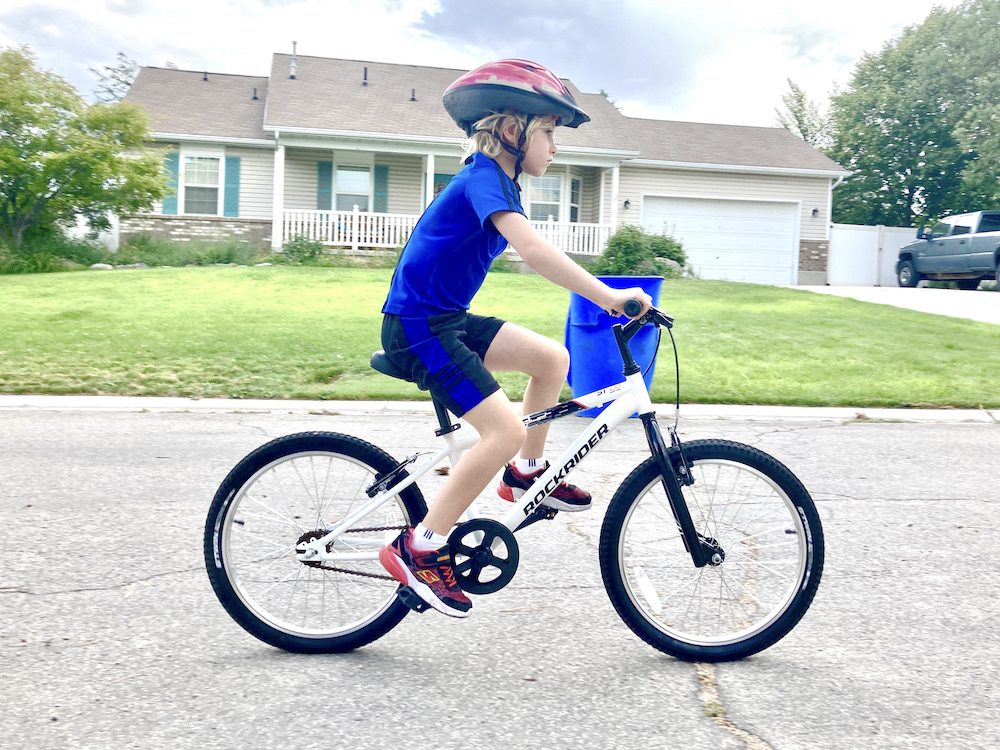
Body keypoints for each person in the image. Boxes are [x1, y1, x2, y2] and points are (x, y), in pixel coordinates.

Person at [378, 59, 652, 617]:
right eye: (549, 132)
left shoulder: (499, 181)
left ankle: (525, 475)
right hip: (418, 326)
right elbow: (532, 250)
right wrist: (608, 297)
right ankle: (420, 547)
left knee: (552, 359)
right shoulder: (482, 177)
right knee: (501, 430)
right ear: (511, 131)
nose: (555, 146)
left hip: (444, 319)